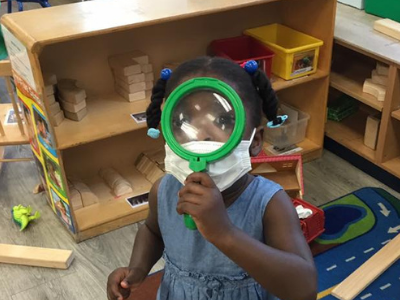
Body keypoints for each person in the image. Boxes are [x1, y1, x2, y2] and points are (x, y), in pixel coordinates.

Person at [107, 57, 317, 300]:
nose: (203, 135)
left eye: (223, 121)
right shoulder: (163, 191)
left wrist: (224, 233)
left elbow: (304, 288)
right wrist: (137, 269)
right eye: (184, 121)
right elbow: (152, 231)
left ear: (256, 141)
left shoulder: (269, 203)